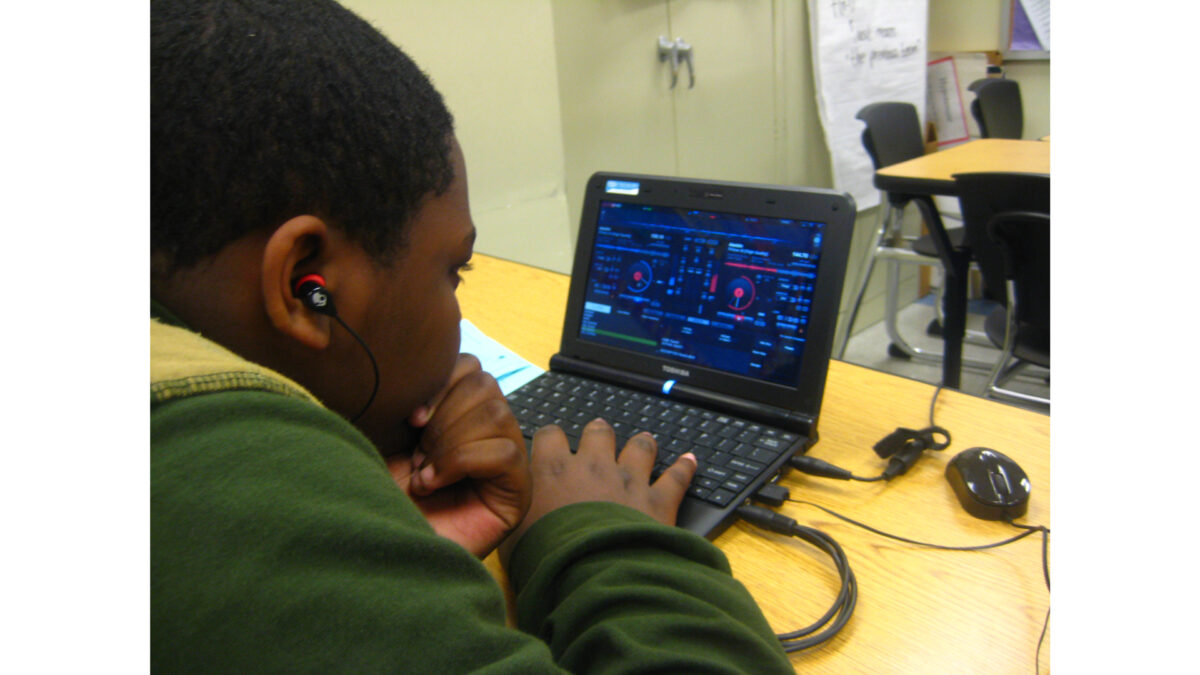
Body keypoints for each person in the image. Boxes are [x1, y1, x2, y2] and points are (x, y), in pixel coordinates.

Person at [150, 0, 794, 671]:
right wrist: (595, 533)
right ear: (307, 288)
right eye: (455, 271)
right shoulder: (232, 507)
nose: (459, 313)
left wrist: (380, 538)